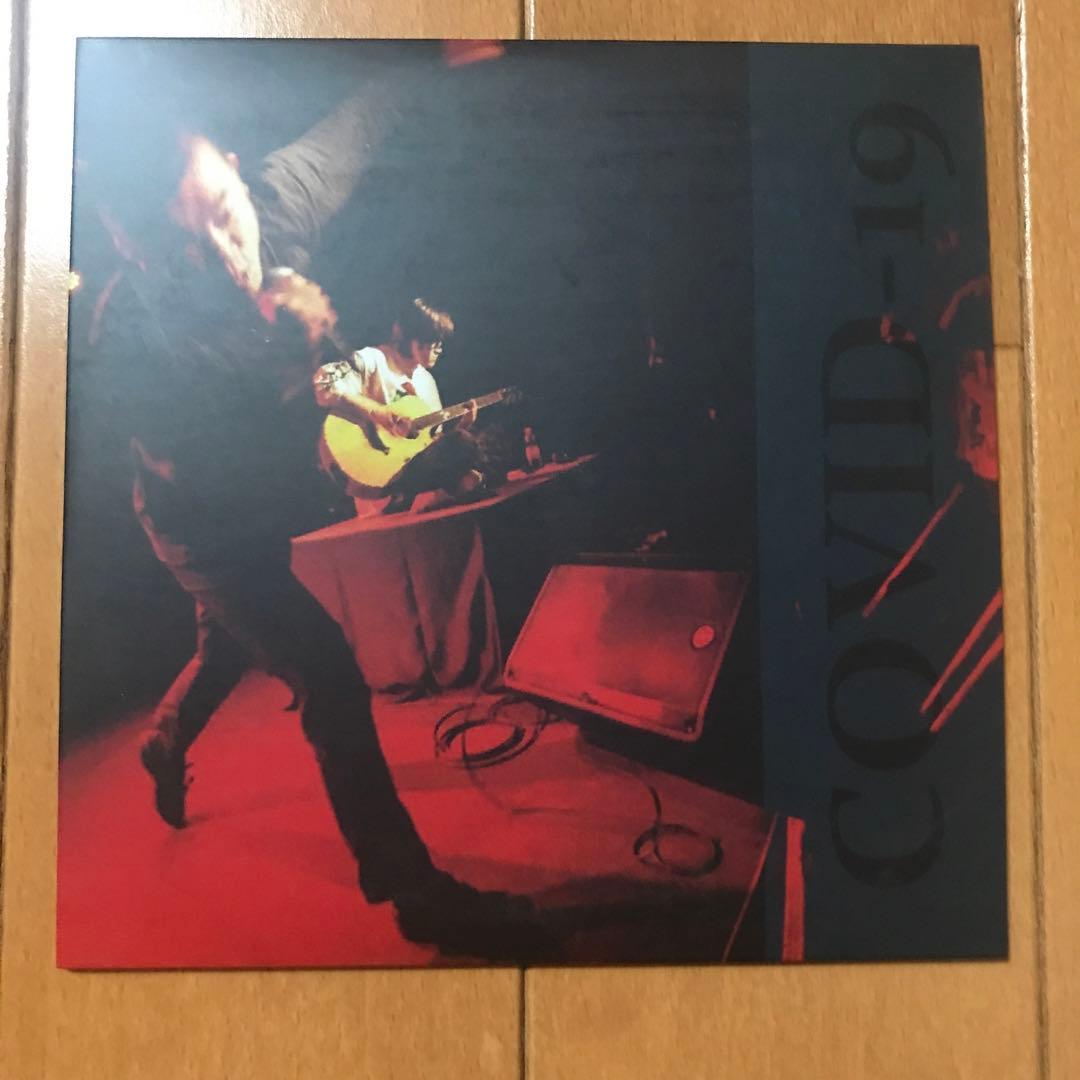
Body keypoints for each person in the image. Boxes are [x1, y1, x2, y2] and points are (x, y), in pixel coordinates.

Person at [93, 100, 544, 956]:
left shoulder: (280, 195)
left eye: (222, 213)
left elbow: (362, 123)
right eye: (187, 249)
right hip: (205, 535)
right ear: (136, 251)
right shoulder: (128, 336)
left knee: (226, 646)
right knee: (329, 671)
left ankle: (166, 739)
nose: (227, 256)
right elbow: (205, 466)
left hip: (254, 507)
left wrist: (438, 59)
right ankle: (416, 895)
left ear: (234, 168)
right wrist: (290, 360)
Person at [313, 297, 487, 513]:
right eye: (433, 341)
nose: (439, 348)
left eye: (440, 342)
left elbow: (429, 444)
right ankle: (425, 495)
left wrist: (462, 426)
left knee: (471, 447)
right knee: (464, 446)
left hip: (411, 468)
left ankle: (428, 495)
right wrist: (377, 412)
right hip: (376, 473)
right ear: (409, 338)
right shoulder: (373, 360)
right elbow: (324, 384)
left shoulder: (426, 381)